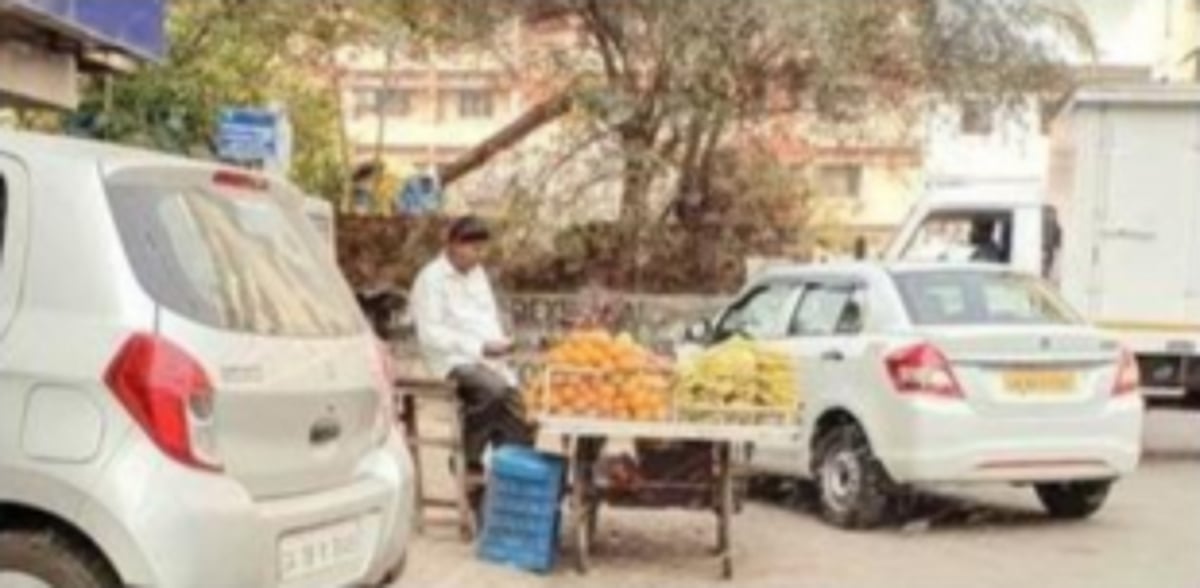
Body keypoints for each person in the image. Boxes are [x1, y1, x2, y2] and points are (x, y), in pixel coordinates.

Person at [409, 215, 534, 512]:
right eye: (471, 248)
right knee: (491, 391)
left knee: (518, 407)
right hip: (450, 359)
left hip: (486, 358)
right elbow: (431, 334)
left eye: (481, 249)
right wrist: (478, 347)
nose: (477, 255)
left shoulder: (478, 276)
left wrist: (501, 344)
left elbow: (486, 318)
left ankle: (506, 476)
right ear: (452, 245)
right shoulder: (431, 280)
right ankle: (470, 457)